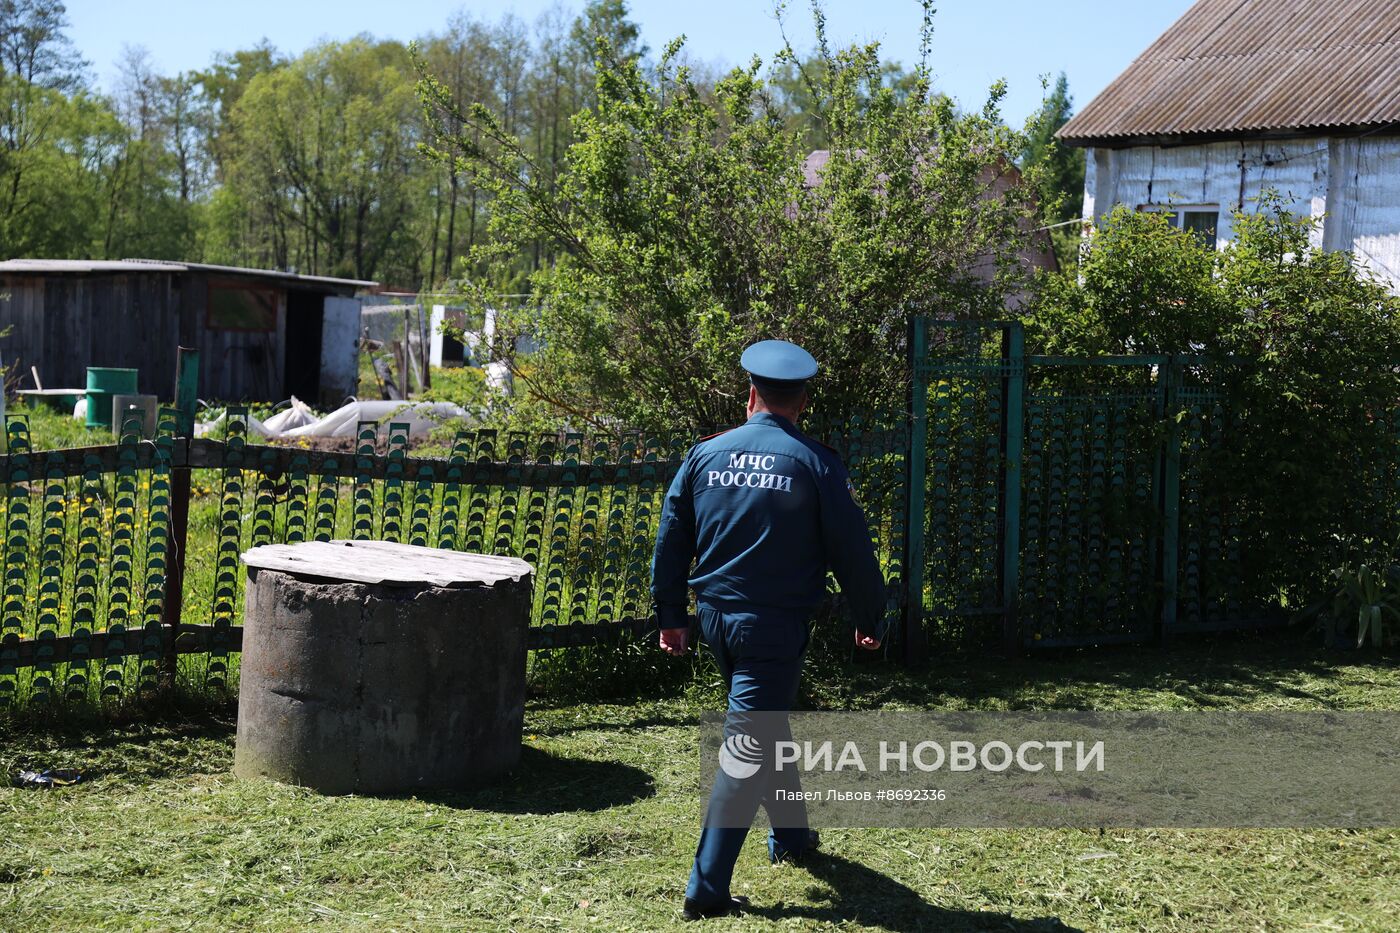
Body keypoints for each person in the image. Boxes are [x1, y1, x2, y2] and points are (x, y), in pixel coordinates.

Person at [651, 338, 887, 921]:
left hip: (714, 620)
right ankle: (705, 889)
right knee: (748, 746)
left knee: (764, 723)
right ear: (801, 401)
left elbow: (670, 540)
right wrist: (871, 616)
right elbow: (852, 551)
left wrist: (671, 616)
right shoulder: (814, 462)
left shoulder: (705, 455)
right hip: (773, 627)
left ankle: (791, 837)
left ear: (750, 394)